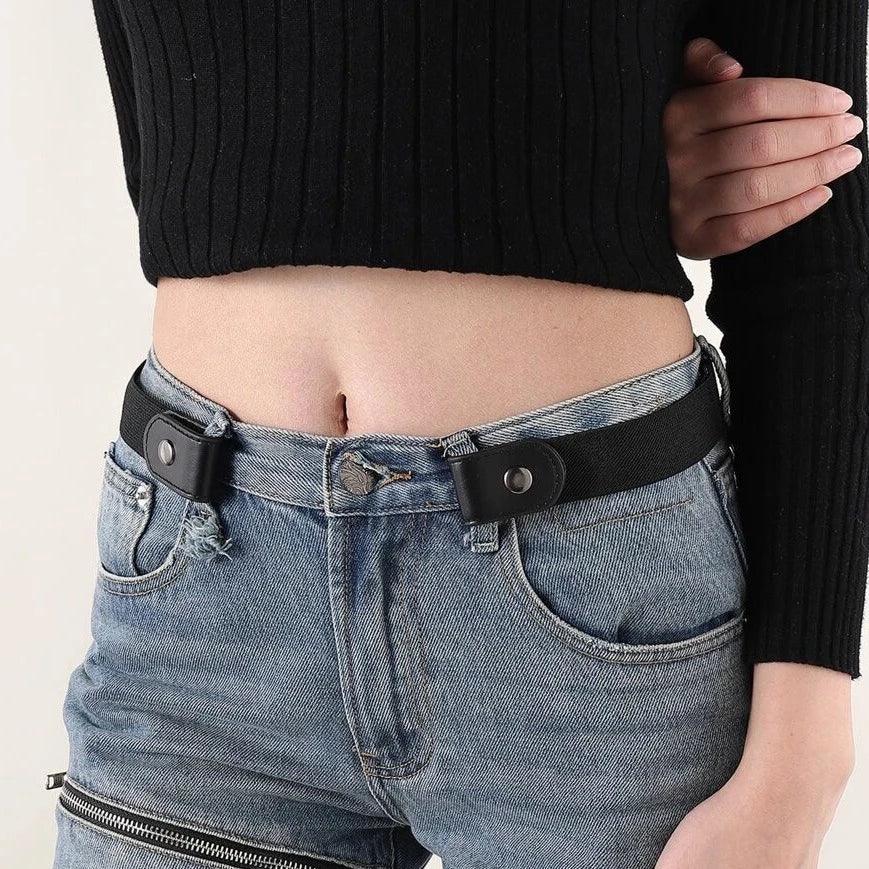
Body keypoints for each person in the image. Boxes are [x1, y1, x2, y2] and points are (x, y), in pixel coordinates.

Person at [51, 2, 867, 867]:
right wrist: (584, 153)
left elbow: (815, 257)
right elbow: (184, 155)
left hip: (589, 609)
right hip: (200, 599)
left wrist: (799, 764)